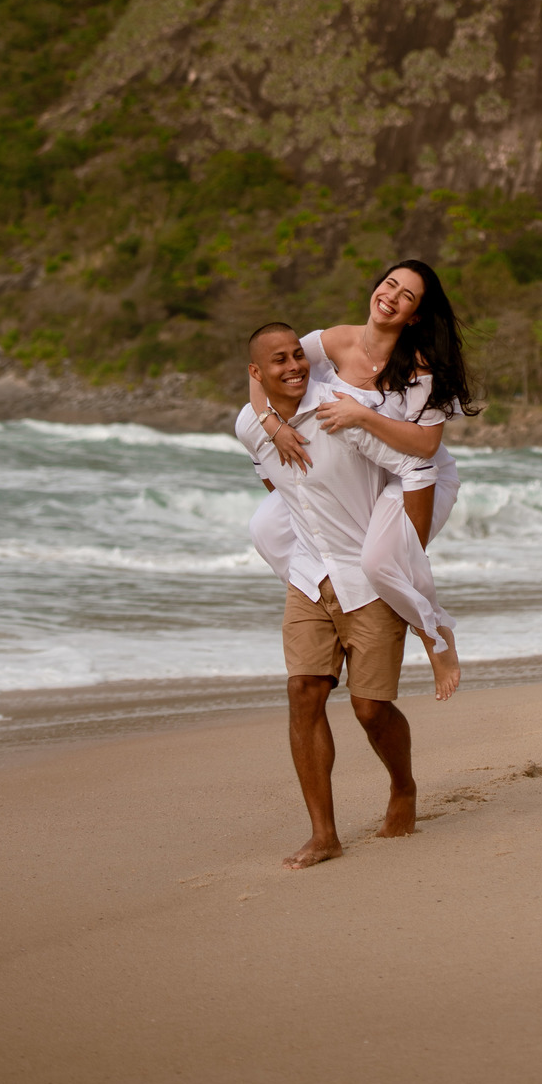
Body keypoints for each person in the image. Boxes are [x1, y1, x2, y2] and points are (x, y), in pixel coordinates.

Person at [239, 322, 436, 869]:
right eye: (277, 362)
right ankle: (323, 834)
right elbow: (269, 478)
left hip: (366, 576)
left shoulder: (341, 411)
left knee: (371, 709)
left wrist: (407, 554)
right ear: (257, 374)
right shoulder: (250, 426)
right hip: (308, 575)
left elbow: (417, 465)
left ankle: (402, 785)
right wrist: (274, 430)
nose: (293, 367)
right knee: (303, 691)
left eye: (297, 357)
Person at [255, 261, 476, 688]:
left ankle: (433, 633)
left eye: (406, 296)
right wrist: (271, 426)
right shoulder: (336, 339)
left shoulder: (418, 365)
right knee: (264, 526)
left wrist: (361, 415)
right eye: (390, 284)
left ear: (413, 316)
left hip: (414, 476)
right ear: (377, 286)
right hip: (358, 478)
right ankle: (327, 595)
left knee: (381, 562)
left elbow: (425, 446)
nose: (391, 296)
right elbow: (266, 369)